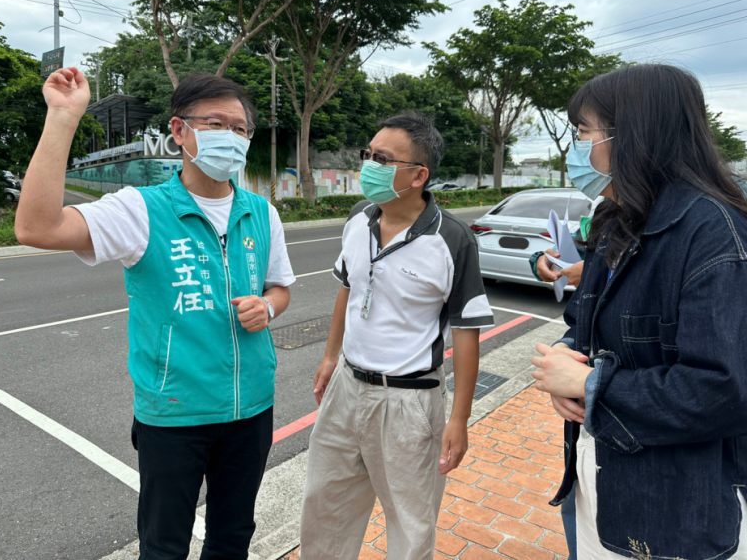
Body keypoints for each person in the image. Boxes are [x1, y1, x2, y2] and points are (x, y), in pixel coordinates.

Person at [15, 68, 295, 560]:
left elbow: (280, 287)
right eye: (214, 123)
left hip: (251, 409)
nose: (229, 137)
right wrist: (62, 118)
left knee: (233, 536)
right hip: (174, 414)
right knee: (164, 545)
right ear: (179, 131)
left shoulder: (262, 212)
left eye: (240, 128)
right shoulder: (140, 210)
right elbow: (38, 227)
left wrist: (268, 306)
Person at [530, 64, 747, 559]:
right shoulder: (617, 219)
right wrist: (571, 361)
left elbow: (723, 390)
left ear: (635, 133)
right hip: (600, 470)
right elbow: (584, 325)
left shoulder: (712, 233)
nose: (577, 147)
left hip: (674, 513)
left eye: (583, 131)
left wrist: (589, 385)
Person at [299, 112, 495, 559]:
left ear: (417, 175)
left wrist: (459, 420)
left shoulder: (452, 239)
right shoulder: (358, 218)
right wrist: (331, 357)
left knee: (410, 524)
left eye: (382, 159)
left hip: (409, 404)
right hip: (346, 390)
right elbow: (349, 289)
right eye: (367, 154)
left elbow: (467, 332)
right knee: (324, 508)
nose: (368, 165)